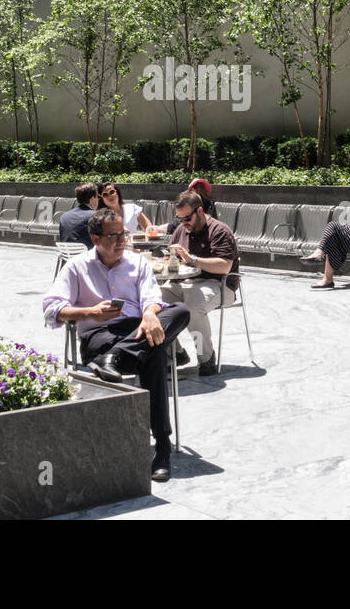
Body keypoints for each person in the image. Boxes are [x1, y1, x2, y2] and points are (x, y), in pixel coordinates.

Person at [43, 208, 190, 482]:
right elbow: (52, 308)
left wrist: (148, 315)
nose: (122, 240)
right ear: (96, 239)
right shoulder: (77, 266)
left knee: (179, 312)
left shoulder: (138, 263)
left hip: (133, 332)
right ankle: (162, 448)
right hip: (98, 337)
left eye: (123, 233)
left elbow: (152, 297)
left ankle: (115, 358)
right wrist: (90, 313)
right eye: (114, 235)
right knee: (155, 351)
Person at [163, 189, 238, 375]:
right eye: (179, 219)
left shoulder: (219, 230)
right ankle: (176, 353)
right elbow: (173, 260)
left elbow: (224, 267)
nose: (183, 223)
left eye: (187, 218)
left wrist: (192, 259)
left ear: (199, 211)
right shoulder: (181, 229)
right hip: (184, 282)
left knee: (193, 305)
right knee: (153, 301)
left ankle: (206, 358)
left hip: (219, 284)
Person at [57, 182, 99, 248]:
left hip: (67, 256)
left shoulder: (64, 216)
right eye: (97, 197)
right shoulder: (94, 216)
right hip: (86, 256)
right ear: (92, 198)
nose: (98, 200)